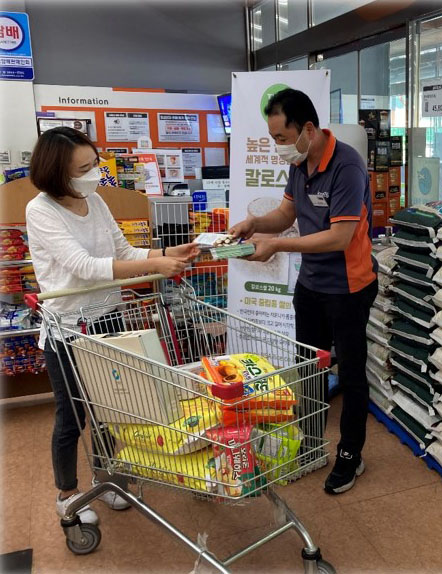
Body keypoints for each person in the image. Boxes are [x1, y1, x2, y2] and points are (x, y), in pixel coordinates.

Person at [26, 127, 200, 524]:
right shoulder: (40, 211)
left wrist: (167, 251)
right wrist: (155, 264)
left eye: (94, 164)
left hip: (109, 318)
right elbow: (84, 267)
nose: (94, 174)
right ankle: (68, 495)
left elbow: (123, 250)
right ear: (57, 173)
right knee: (72, 416)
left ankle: (104, 479)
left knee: (111, 406)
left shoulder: (95, 199)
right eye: (83, 169)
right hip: (68, 327)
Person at [229, 88, 378, 495]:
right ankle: (311, 444)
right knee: (309, 368)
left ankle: (350, 453)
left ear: (307, 129)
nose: (277, 146)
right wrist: (254, 225)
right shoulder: (299, 163)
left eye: (281, 137)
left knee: (351, 372)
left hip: (349, 287)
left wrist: (277, 245)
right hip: (310, 285)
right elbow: (286, 214)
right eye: (273, 137)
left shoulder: (347, 166)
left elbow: (339, 237)